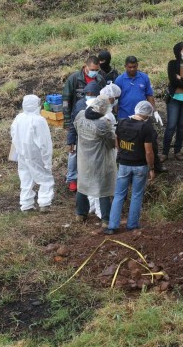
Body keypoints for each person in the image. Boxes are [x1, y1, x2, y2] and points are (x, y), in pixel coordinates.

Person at [104, 101, 157, 235]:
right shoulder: (146, 127)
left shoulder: (121, 122)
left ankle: (112, 225)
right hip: (140, 166)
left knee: (119, 194)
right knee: (136, 195)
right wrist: (151, 168)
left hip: (124, 164)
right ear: (148, 114)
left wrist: (121, 151)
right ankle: (132, 225)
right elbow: (149, 152)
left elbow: (116, 139)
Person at [115, 56, 165, 173]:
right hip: (125, 117)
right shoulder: (120, 80)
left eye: (134, 67)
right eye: (130, 67)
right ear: (125, 66)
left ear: (137, 65)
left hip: (143, 117)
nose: (132, 69)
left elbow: (149, 95)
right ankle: (125, 167)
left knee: (151, 140)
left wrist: (155, 111)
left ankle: (155, 166)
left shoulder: (144, 78)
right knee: (127, 144)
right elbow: (116, 99)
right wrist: (116, 116)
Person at [63, 56, 106, 191]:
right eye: (92, 69)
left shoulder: (100, 79)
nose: (94, 72)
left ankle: (90, 176)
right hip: (77, 119)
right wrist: (68, 122)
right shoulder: (74, 79)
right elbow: (66, 101)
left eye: (97, 70)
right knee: (74, 150)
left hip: (94, 120)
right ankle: (72, 179)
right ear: (85, 66)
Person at [74, 97, 116, 224]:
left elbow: (76, 128)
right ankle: (105, 220)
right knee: (103, 189)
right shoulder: (102, 124)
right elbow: (111, 143)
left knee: (82, 185)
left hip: (83, 158)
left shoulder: (80, 115)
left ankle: (80, 214)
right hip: (99, 160)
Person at [10, 95, 54, 212]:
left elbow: (13, 135)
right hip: (35, 154)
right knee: (45, 178)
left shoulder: (19, 117)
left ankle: (26, 204)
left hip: (22, 153)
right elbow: (45, 143)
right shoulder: (39, 120)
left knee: (26, 178)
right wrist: (47, 161)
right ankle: (44, 203)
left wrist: (18, 150)